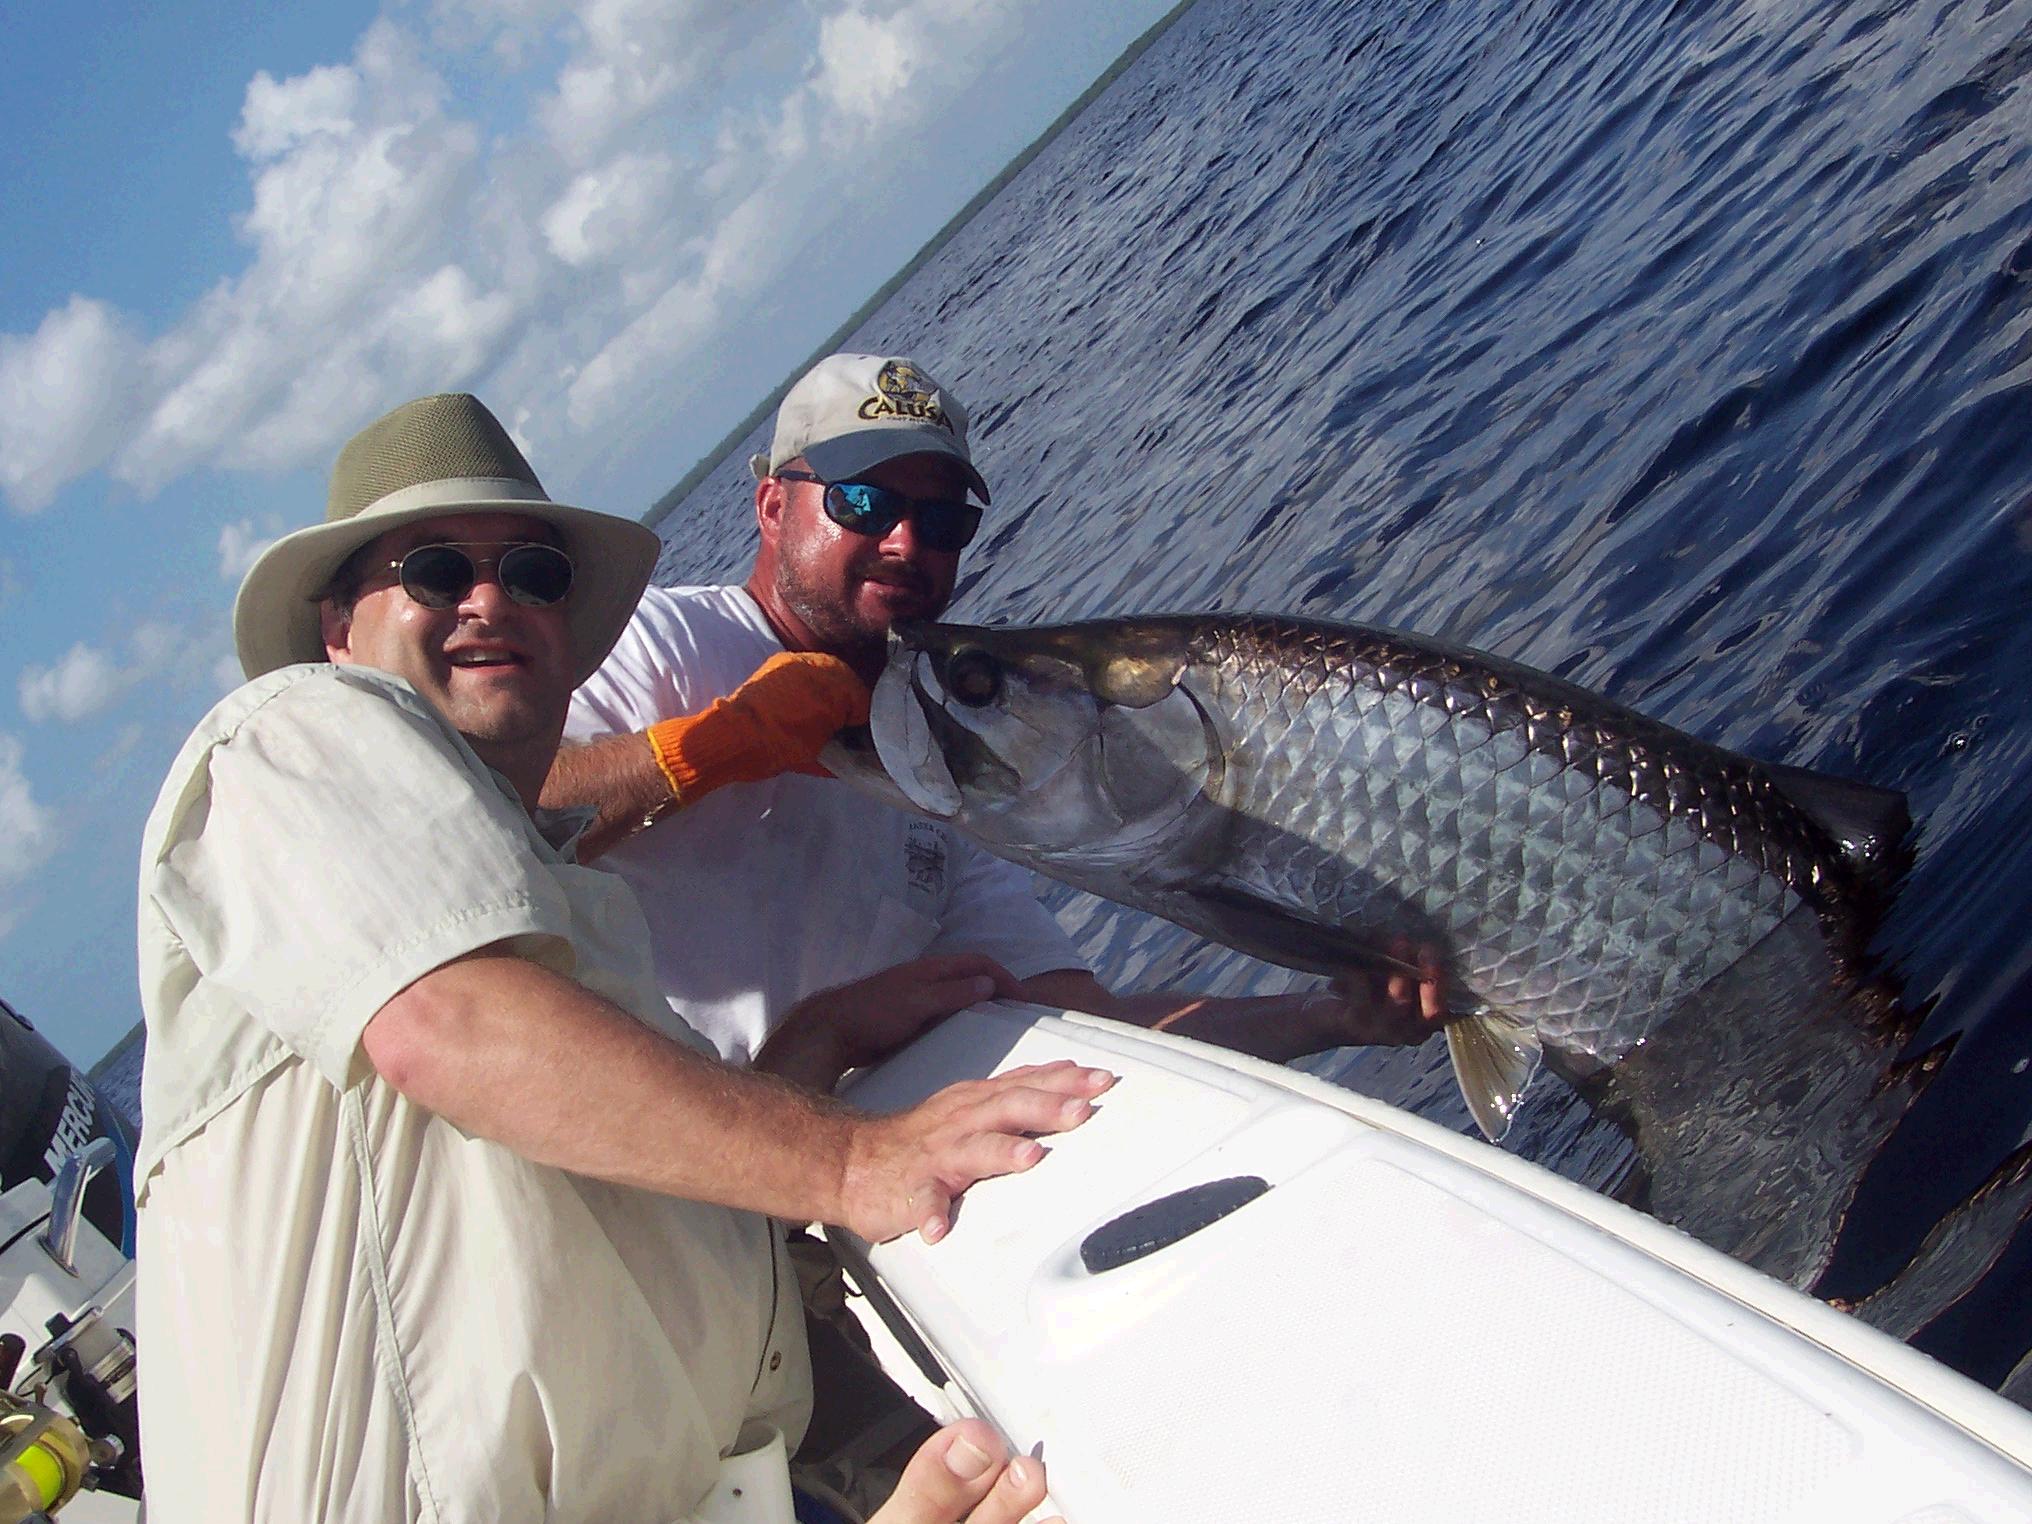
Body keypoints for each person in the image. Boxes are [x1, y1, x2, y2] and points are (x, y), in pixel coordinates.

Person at [133, 392, 1103, 1523]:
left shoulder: (569, 910)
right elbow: (449, 1031)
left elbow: (622, 1181)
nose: (491, 599)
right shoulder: (287, 736)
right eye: (438, 570)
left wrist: (816, 1042)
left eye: (537, 574)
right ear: (337, 628)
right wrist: (851, 1159)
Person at [545, 352, 1447, 1093]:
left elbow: (1088, 1033)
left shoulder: (944, 760)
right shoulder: (661, 641)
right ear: (774, 506)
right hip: (679, 1185)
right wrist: (714, 745)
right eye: (864, 501)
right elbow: (480, 818)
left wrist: (1329, 1015)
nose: (906, 543)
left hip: (848, 1166)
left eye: (941, 520)